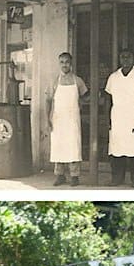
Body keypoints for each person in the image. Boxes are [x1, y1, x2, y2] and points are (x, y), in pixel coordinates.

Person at [105, 49, 134, 187]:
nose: (125, 59)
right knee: (117, 149)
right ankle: (117, 179)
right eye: (122, 57)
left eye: (128, 57)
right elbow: (108, 98)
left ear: (133, 58)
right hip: (117, 115)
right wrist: (106, 117)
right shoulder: (113, 77)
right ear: (119, 59)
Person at [46, 52, 88, 187]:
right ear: (59, 64)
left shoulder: (78, 80)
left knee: (73, 146)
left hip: (72, 119)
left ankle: (74, 176)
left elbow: (85, 96)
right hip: (58, 118)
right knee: (59, 146)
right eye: (62, 62)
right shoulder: (54, 81)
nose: (65, 65)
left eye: (67, 62)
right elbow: (48, 100)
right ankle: (60, 175)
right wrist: (48, 118)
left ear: (71, 64)